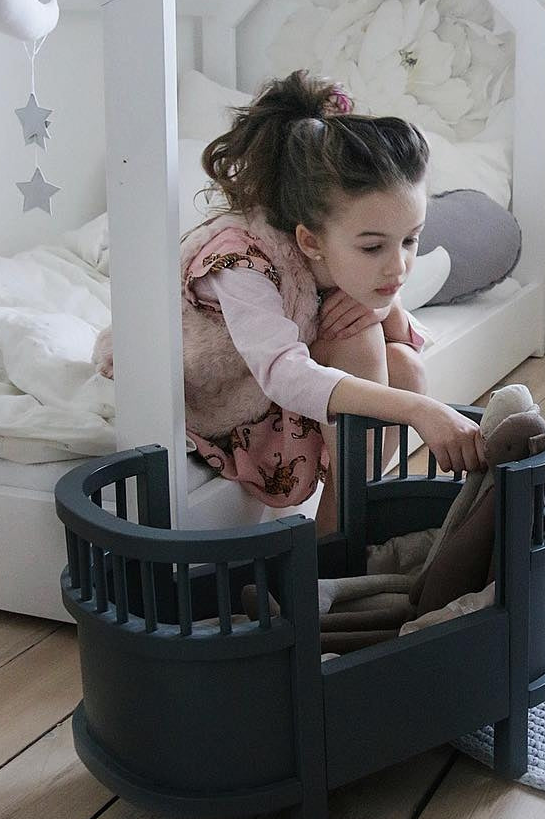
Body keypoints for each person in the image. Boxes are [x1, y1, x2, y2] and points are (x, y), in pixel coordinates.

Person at [180, 69, 484, 534]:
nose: (397, 267)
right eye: (373, 247)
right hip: (223, 399)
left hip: (283, 393)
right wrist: (423, 412)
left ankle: (346, 518)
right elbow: (282, 373)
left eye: (410, 240)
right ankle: (340, 537)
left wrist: (386, 308)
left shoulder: (338, 244)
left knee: (407, 368)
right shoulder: (240, 261)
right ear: (310, 240)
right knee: (362, 344)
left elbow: (404, 338)